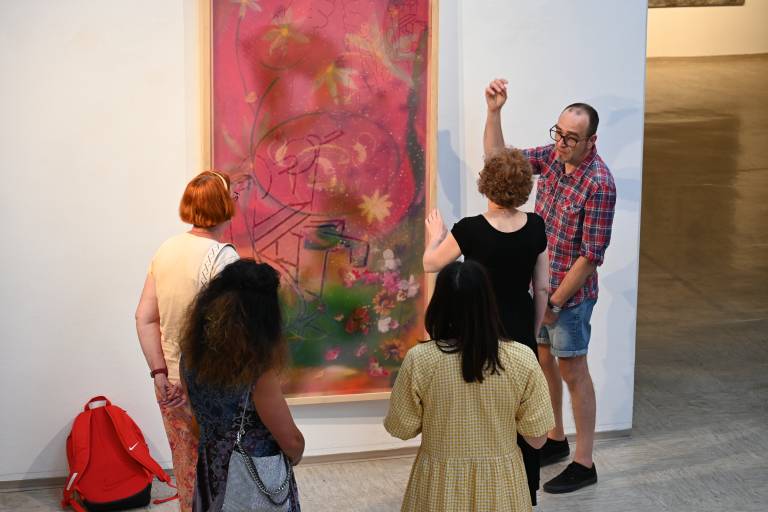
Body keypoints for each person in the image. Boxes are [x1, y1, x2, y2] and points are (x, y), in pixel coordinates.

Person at [484, 78, 617, 493]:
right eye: (559, 133)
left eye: (572, 138)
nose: (562, 143)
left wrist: (555, 302)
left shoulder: (600, 183)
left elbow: (590, 257)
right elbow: (498, 161)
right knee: (544, 362)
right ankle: (555, 439)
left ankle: (584, 462)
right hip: (540, 289)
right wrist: (494, 112)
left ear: (591, 141)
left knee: (573, 371)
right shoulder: (554, 158)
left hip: (569, 299)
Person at [421, 147, 550, 505]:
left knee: (481, 410)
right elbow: (542, 287)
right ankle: (522, 493)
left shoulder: (470, 230)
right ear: (523, 187)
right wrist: (531, 330)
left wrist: (436, 235)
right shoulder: (536, 226)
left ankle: (478, 493)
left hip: (479, 331)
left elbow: (431, 264)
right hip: (520, 327)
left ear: (486, 184)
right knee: (521, 411)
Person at [384, 260, 554, 512]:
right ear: (489, 304)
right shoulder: (522, 358)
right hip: (501, 487)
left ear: (438, 305)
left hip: (439, 487)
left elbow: (401, 428)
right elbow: (537, 439)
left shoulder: (419, 360)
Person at [135, 170, 240, 511]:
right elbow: (229, 334)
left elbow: (144, 317)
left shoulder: (166, 250)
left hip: (168, 383)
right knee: (219, 472)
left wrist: (159, 373)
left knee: (186, 466)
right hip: (208, 384)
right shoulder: (223, 257)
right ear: (223, 204)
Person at [180, 259, 304, 511]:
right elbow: (291, 441)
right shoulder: (257, 372)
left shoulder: (190, 357)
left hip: (211, 470)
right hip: (252, 476)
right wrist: (297, 453)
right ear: (265, 316)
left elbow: (196, 422)